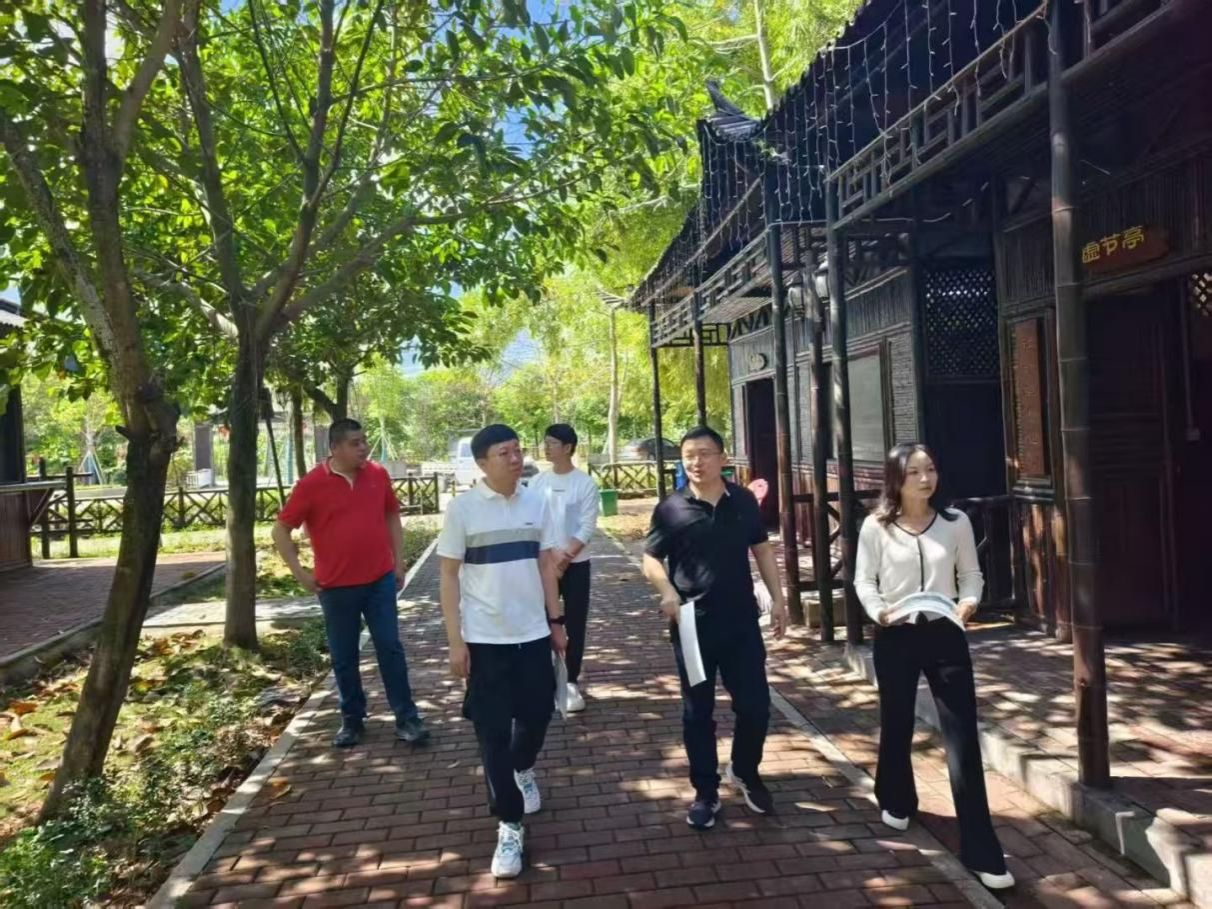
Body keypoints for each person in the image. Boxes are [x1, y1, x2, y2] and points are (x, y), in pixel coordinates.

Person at [854, 442, 1015, 891]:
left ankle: (982, 850)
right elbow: (864, 580)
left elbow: (971, 574)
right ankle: (895, 795)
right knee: (897, 720)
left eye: (930, 470)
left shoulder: (955, 522)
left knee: (962, 738)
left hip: (946, 635)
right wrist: (880, 612)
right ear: (896, 479)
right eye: (914, 472)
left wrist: (969, 602)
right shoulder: (876, 527)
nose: (925, 479)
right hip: (895, 634)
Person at [437, 424, 568, 880]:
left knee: (538, 715)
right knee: (492, 733)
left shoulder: (537, 501)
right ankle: (509, 824)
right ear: (482, 463)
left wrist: (556, 622)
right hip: (485, 640)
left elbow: (546, 565)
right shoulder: (463, 509)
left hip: (532, 634)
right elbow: (448, 577)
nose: (515, 459)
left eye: (517, 450)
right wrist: (456, 641)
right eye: (503, 453)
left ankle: (523, 767)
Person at [641, 426, 788, 830]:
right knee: (698, 712)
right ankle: (705, 791)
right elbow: (650, 558)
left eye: (705, 453)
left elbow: (761, 549)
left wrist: (779, 599)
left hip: (741, 621)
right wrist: (667, 591)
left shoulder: (743, 500)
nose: (696, 461)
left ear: (723, 459)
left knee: (755, 705)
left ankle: (744, 769)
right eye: (689, 454)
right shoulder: (671, 508)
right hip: (692, 623)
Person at [272, 418, 429, 749]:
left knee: (390, 647)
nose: (363, 448)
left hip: (379, 580)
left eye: (364, 441)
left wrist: (398, 560)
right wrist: (300, 573)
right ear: (335, 448)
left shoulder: (377, 474)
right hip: (335, 587)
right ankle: (352, 720)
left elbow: (391, 514)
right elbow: (281, 530)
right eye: (355, 443)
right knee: (344, 656)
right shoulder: (312, 484)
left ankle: (407, 718)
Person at [530, 424, 600, 713]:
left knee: (575, 623)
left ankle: (570, 680)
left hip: (576, 564)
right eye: (545, 443)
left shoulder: (584, 484)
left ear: (568, 447)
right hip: (544, 563)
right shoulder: (536, 483)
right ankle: (544, 679)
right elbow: (532, 522)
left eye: (552, 443)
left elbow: (587, 526)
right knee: (542, 620)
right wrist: (550, 559)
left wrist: (565, 558)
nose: (546, 448)